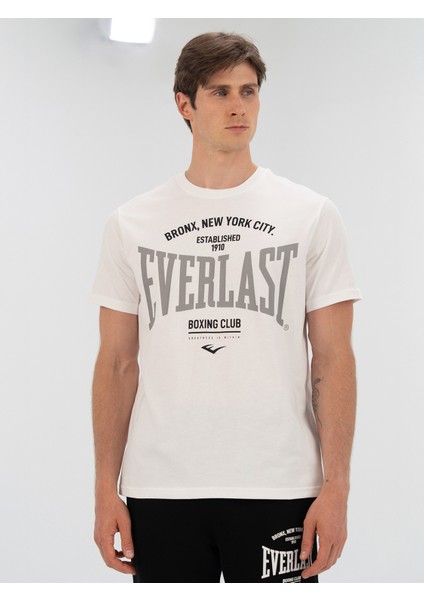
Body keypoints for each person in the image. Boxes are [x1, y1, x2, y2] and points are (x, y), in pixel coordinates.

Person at [89, 31, 363, 583]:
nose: (238, 106)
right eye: (220, 92)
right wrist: (103, 488)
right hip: (160, 486)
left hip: (280, 483)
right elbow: (117, 364)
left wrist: (337, 487)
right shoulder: (132, 223)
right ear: (184, 104)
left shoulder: (310, 215)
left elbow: (333, 360)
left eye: (248, 91)